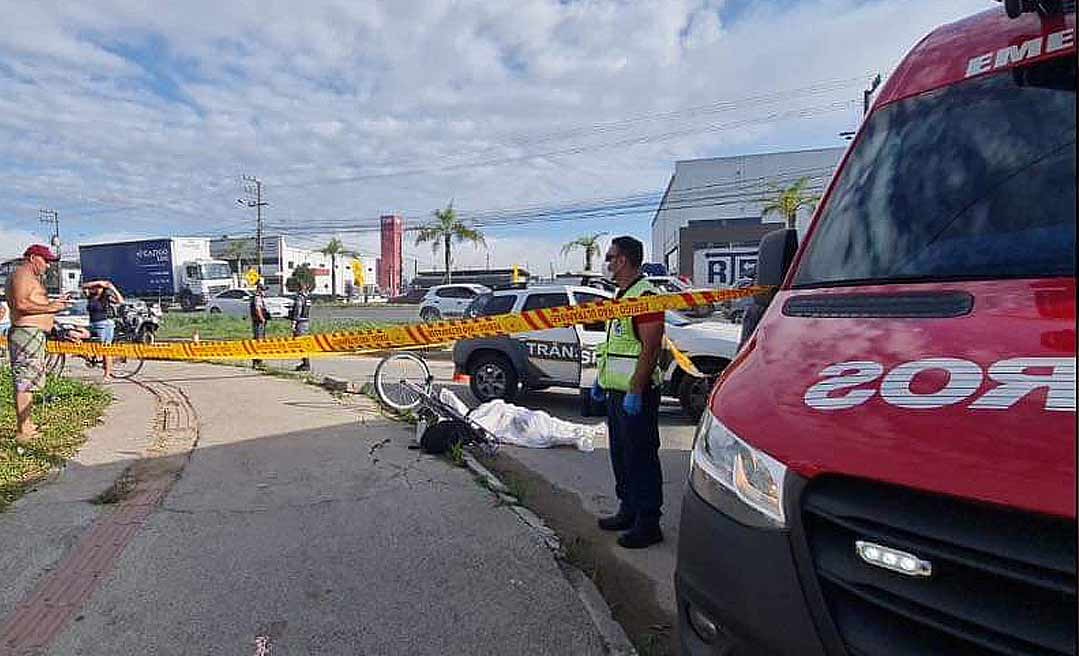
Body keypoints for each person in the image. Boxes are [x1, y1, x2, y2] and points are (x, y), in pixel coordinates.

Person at [592, 236, 666, 549]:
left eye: (610, 257)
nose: (607, 263)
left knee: (641, 456)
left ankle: (648, 523)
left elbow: (651, 348)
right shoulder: (622, 296)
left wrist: (636, 388)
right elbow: (616, 347)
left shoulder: (646, 295)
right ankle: (628, 509)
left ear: (623, 260)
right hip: (616, 391)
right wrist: (601, 379)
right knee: (621, 455)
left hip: (637, 394)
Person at [5, 245, 71, 443]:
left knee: (30, 379)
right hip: (26, 334)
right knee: (25, 380)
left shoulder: (28, 277)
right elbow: (21, 304)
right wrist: (50, 306)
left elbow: (31, 303)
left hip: (32, 334)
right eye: (45, 260)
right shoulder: (22, 274)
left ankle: (27, 423)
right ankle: (23, 429)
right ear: (33, 258)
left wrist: (54, 307)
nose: (48, 266)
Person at [82, 279, 124, 381]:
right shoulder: (90, 296)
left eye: (99, 287)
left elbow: (121, 301)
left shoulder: (106, 297)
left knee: (105, 349)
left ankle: (107, 374)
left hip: (105, 325)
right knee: (75, 335)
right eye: (95, 286)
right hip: (92, 324)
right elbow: (83, 286)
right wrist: (99, 282)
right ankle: (91, 357)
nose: (95, 288)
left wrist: (111, 287)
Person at [290, 282, 313, 372]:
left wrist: (294, 322)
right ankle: (305, 363)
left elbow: (298, 310)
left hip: (300, 322)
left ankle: (306, 364)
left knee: (301, 343)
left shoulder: (300, 298)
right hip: (306, 321)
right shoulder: (308, 298)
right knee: (304, 342)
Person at [250, 283, 268, 369]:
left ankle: (258, 361)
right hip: (258, 322)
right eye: (263, 290)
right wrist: (262, 319)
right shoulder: (257, 298)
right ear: (259, 289)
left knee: (259, 340)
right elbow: (257, 309)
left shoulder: (259, 298)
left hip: (258, 322)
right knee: (258, 341)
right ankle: (257, 362)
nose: (265, 292)